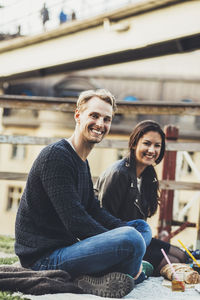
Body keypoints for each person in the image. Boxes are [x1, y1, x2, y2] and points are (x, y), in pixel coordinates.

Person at [15, 90, 152, 298]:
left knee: (140, 228)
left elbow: (92, 209)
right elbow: (76, 221)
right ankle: (131, 272)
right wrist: (120, 238)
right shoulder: (56, 156)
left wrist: (120, 230)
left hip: (66, 248)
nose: (100, 124)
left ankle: (124, 272)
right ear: (78, 116)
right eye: (94, 116)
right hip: (43, 259)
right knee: (132, 240)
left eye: (107, 119)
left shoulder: (82, 161)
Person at [95, 120, 188, 276]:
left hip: (137, 237)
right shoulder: (119, 173)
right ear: (134, 144)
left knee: (181, 255)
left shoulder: (148, 175)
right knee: (173, 263)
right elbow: (103, 219)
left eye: (157, 145)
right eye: (147, 143)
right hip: (119, 241)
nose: (152, 150)